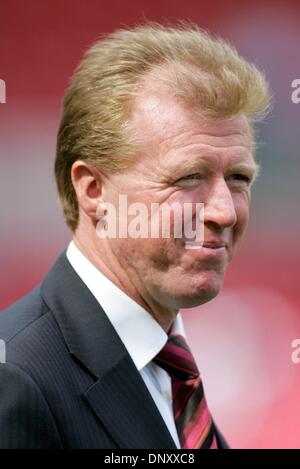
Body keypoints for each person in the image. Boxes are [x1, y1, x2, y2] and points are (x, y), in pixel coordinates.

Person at [0, 23, 270, 449]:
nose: (225, 211)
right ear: (93, 190)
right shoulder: (17, 379)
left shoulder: (167, 366)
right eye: (189, 177)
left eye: (238, 178)